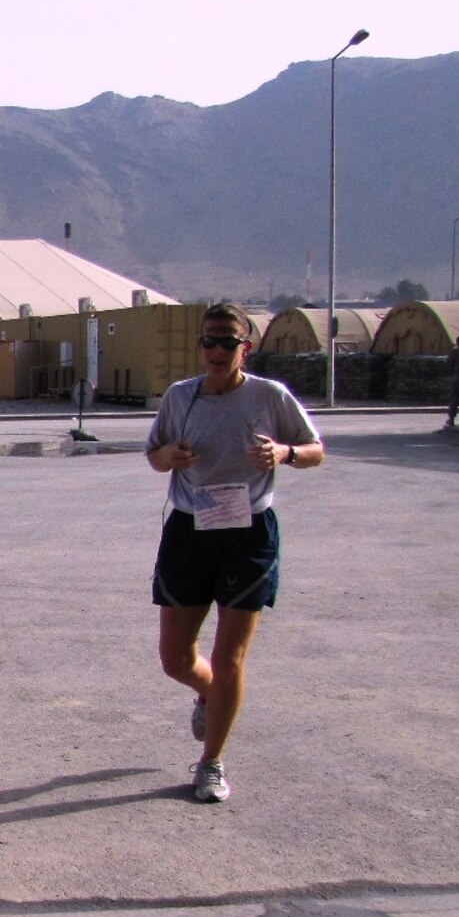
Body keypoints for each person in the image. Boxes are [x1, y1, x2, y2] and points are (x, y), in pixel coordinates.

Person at [146, 304, 323, 803]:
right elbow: (154, 456)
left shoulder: (270, 397)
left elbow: (315, 449)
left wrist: (284, 454)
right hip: (190, 530)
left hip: (248, 533)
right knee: (176, 659)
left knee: (231, 658)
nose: (218, 350)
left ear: (247, 347)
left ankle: (211, 764)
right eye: (209, 341)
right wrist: (170, 457)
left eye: (228, 342)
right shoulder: (182, 397)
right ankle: (207, 693)